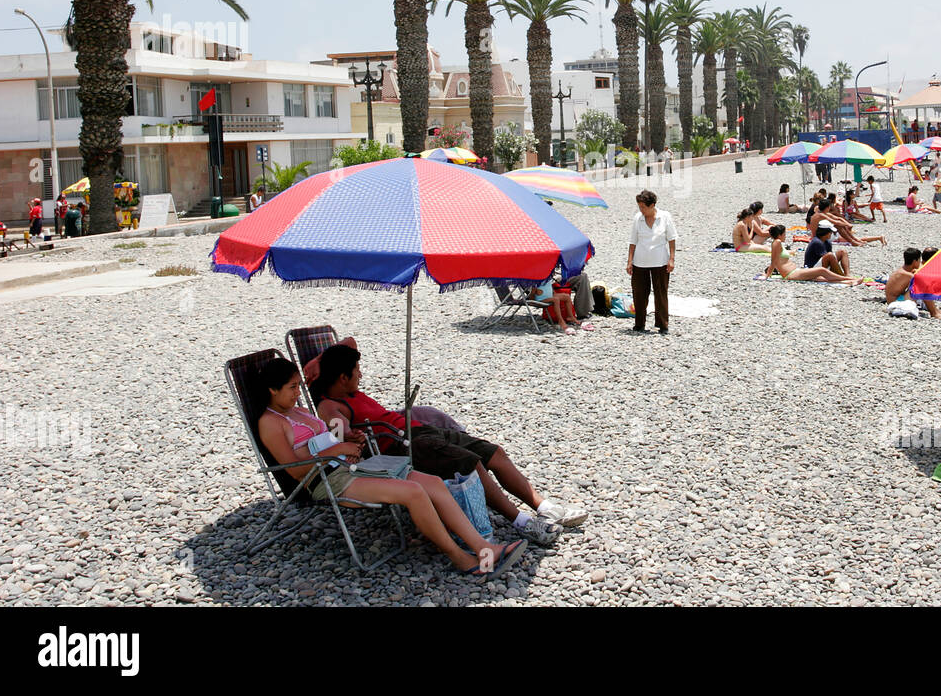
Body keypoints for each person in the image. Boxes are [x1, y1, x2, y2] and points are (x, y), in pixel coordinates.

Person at [251, 357, 528, 578]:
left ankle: (484, 548)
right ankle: (461, 558)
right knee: (414, 492)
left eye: (299, 385)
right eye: (291, 387)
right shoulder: (271, 423)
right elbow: (296, 471)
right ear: (272, 390)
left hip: (349, 466)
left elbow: (324, 439)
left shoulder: (296, 411)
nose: (298, 392)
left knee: (430, 481)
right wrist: (336, 451)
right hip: (327, 480)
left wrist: (346, 438)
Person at [309, 342, 581, 545]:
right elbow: (335, 425)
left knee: (494, 453)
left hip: (421, 430)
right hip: (403, 446)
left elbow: (349, 343)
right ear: (342, 377)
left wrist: (317, 363)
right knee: (471, 464)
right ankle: (522, 522)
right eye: (357, 371)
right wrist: (346, 433)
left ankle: (545, 507)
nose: (361, 374)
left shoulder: (348, 388)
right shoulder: (331, 404)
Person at [627, 190, 677, 335]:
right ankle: (639, 323)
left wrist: (671, 259)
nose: (641, 210)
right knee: (639, 294)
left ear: (652, 205)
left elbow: (672, 239)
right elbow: (632, 241)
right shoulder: (638, 218)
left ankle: (662, 324)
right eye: (639, 206)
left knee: (661, 294)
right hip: (640, 262)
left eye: (643, 207)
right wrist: (629, 261)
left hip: (660, 261)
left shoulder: (665, 217)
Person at [764, 225, 855, 283]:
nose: (785, 236)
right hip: (790, 274)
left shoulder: (778, 243)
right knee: (822, 271)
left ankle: (845, 280)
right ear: (780, 235)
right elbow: (774, 261)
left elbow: (778, 258)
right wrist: (767, 276)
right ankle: (848, 279)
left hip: (795, 271)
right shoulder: (777, 242)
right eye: (784, 234)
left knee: (820, 276)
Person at [884, 247, 941, 319]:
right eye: (919, 260)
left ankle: (935, 310)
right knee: (922, 286)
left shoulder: (903, 271)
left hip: (895, 299)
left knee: (919, 285)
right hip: (897, 302)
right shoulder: (906, 274)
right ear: (915, 261)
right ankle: (934, 313)